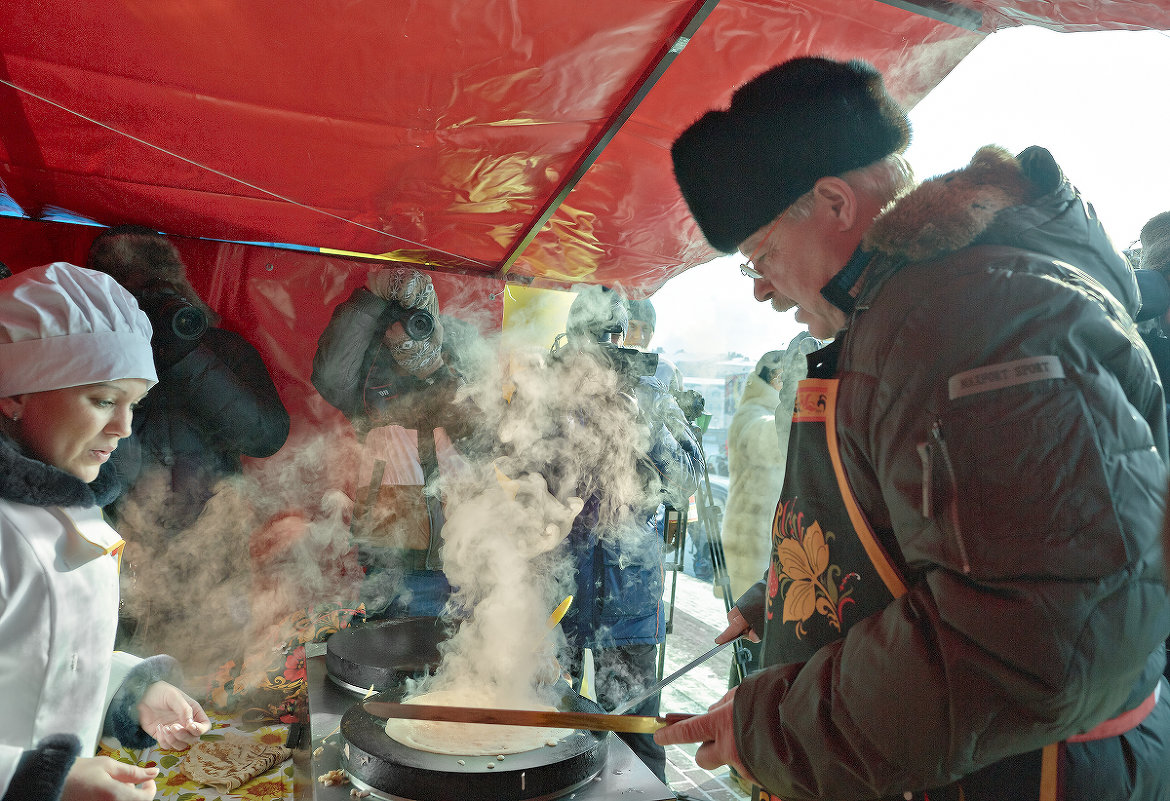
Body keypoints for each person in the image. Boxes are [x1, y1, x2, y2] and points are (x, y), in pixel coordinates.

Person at [656, 56, 1170, 800]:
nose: (763, 289)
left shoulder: (968, 316)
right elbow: (967, 536)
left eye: (761, 256)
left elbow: (1029, 641)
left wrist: (776, 726)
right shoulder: (918, 307)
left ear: (835, 201)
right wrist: (795, 596)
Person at [0, 262, 210, 801]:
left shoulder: (69, 499)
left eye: (133, 404)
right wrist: (48, 779)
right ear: (15, 394)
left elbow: (47, 658)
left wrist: (132, 691)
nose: (125, 428)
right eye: (102, 400)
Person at [84, 225, 291, 654]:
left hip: (215, 556)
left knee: (219, 684)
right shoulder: (96, 358)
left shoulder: (216, 349)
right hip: (126, 557)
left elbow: (265, 436)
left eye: (159, 292)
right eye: (137, 295)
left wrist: (186, 355)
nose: (151, 308)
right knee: (129, 682)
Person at [544, 286, 704, 783]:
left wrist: (645, 424)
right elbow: (516, 473)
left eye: (609, 341)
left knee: (637, 735)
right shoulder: (546, 391)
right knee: (551, 735)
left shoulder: (651, 386)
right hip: (555, 593)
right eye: (586, 344)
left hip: (629, 593)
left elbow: (688, 476)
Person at [312, 266, 482, 618]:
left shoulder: (456, 339)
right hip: (389, 539)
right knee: (387, 651)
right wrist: (371, 298)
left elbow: (481, 427)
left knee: (454, 653)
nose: (411, 326)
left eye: (419, 316)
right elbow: (330, 378)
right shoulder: (370, 358)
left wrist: (433, 368)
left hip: (460, 537)